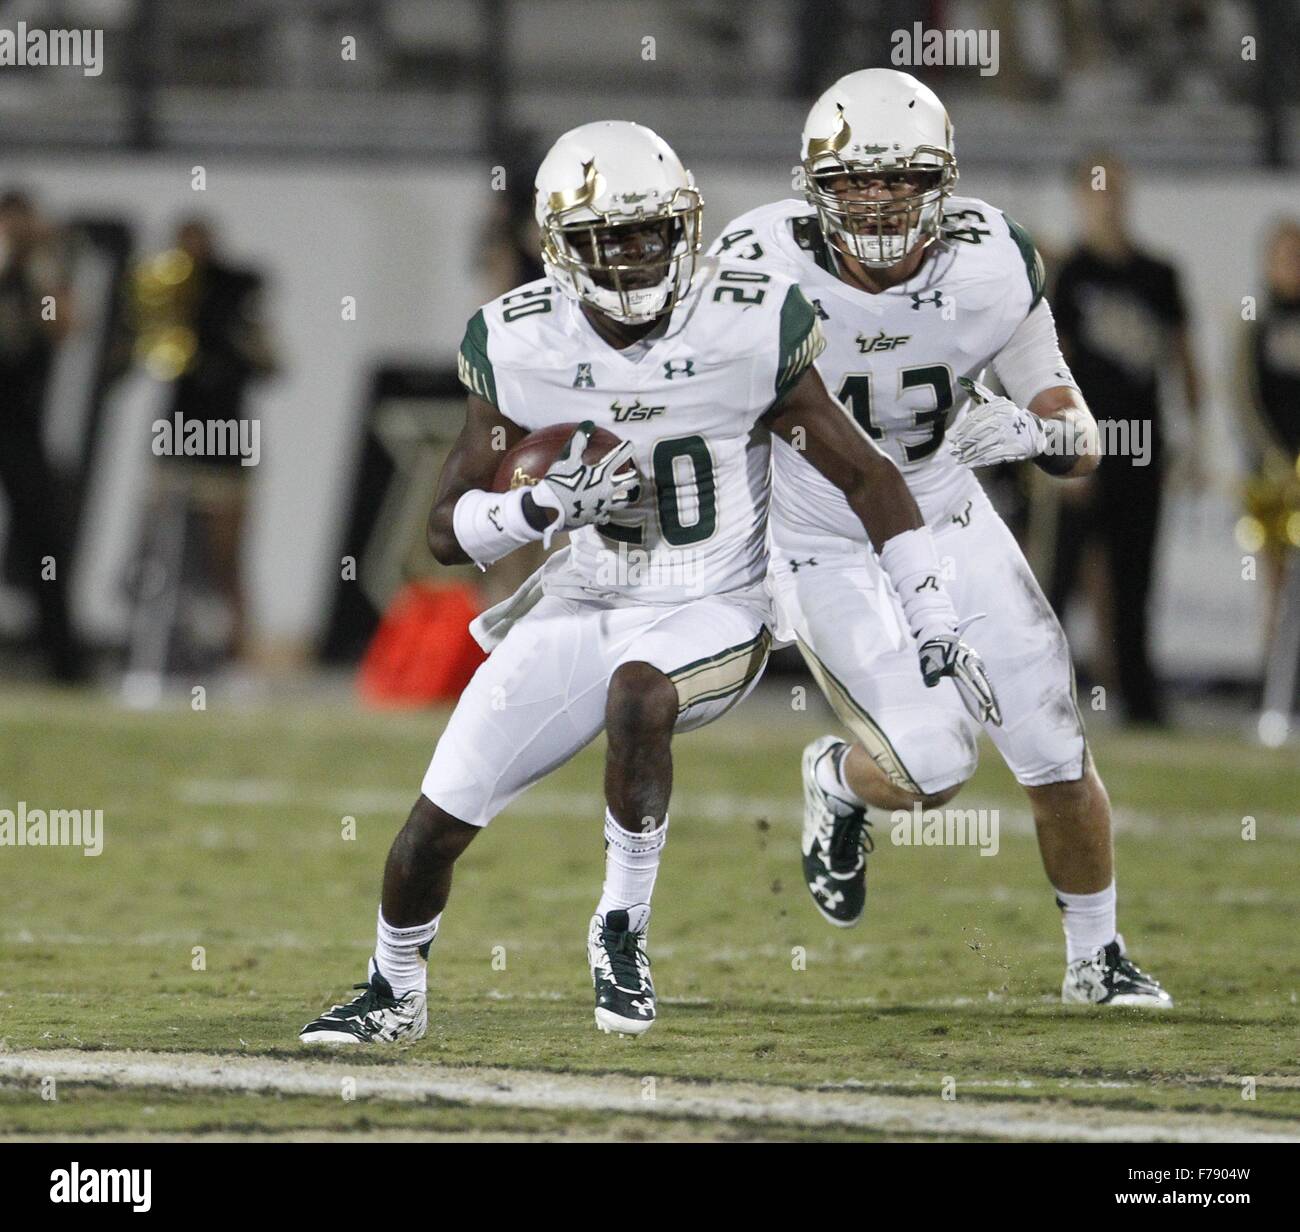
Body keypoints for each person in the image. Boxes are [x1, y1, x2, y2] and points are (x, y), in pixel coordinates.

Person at [298, 119, 996, 1044]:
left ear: (685, 228)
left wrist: (932, 611)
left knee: (640, 694)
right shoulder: (518, 342)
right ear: (559, 246)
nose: (630, 258)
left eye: (648, 232)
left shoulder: (749, 322)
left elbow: (866, 474)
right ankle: (393, 991)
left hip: (717, 600)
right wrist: (539, 512)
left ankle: (619, 926)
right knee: (436, 821)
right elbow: (443, 530)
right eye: (605, 238)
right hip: (584, 599)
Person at [713, 70, 1171, 1006]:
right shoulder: (756, 263)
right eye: (854, 181)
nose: (878, 202)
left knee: (1053, 744)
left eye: (901, 178)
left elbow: (1079, 433)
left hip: (948, 515)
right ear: (815, 187)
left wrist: (1041, 433)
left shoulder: (992, 261)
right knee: (934, 765)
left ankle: (1097, 959)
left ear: (943, 183)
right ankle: (841, 782)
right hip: (825, 541)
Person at [1051, 154, 1203, 726]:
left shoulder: (1158, 275)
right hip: (1083, 448)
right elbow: (1049, 366)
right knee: (1059, 578)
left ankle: (1139, 699)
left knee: (1136, 575)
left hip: (1142, 446)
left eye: (1114, 186)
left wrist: (1193, 436)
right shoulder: (1069, 274)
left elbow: (1183, 363)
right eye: (1096, 187)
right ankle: (1041, 697)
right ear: (1079, 196)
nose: (1106, 198)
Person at [0, 189, 85, 682]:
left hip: (19, 424)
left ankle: (62, 660)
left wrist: (41, 271)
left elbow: (62, 328)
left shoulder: (43, 276)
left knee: (42, 536)